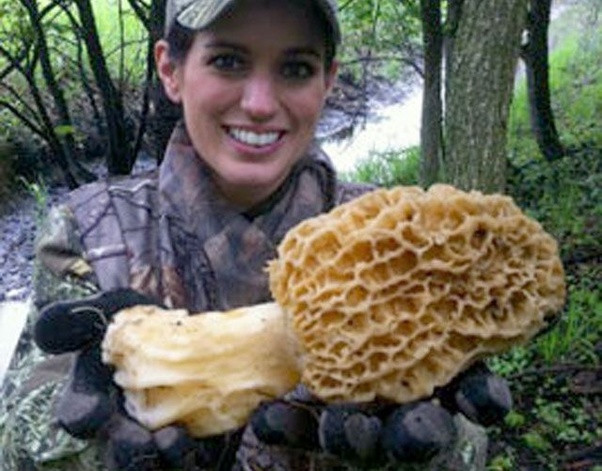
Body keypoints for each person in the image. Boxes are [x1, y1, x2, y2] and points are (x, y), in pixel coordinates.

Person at [0, 0, 512, 469]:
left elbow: (462, 437)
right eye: (228, 60)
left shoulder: (400, 238)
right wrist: (90, 447)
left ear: (328, 81)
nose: (261, 103)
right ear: (170, 70)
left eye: (295, 68)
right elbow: (18, 432)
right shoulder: (88, 230)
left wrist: (432, 454)